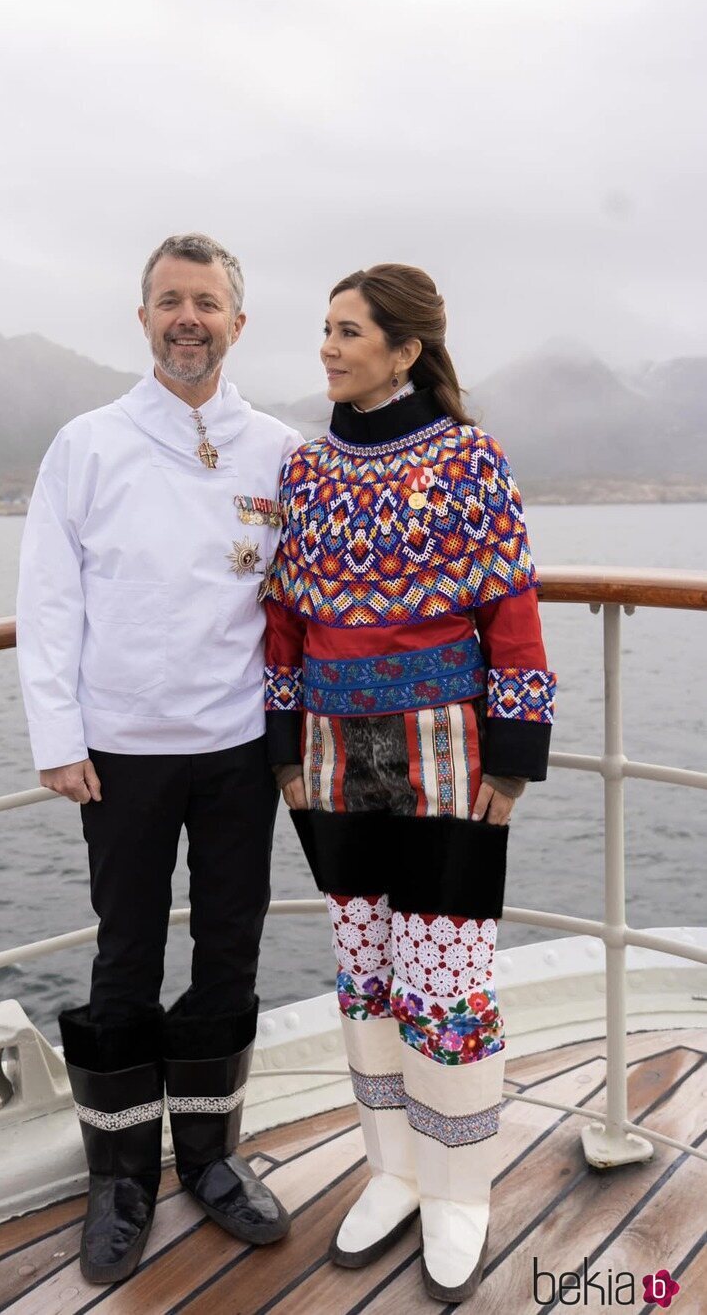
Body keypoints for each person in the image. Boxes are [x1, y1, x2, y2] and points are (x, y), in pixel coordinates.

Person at [263, 264, 555, 1303]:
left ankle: (457, 1185)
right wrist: (284, 752)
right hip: (336, 754)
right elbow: (285, 624)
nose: (328, 348)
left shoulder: (471, 459)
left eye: (347, 332)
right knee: (364, 968)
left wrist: (514, 758)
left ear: (404, 349)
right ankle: (390, 1167)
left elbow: (510, 611)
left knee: (447, 976)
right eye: (325, 330)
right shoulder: (303, 471)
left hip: (446, 752)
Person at [16, 233, 300, 1284]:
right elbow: (47, 599)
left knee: (229, 949)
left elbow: (307, 596)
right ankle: (121, 1176)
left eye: (207, 302)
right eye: (170, 301)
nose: (188, 317)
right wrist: (57, 735)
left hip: (235, 746)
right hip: (120, 748)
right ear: (142, 318)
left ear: (236, 321)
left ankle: (212, 1160)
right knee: (124, 956)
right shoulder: (86, 443)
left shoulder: (277, 447)